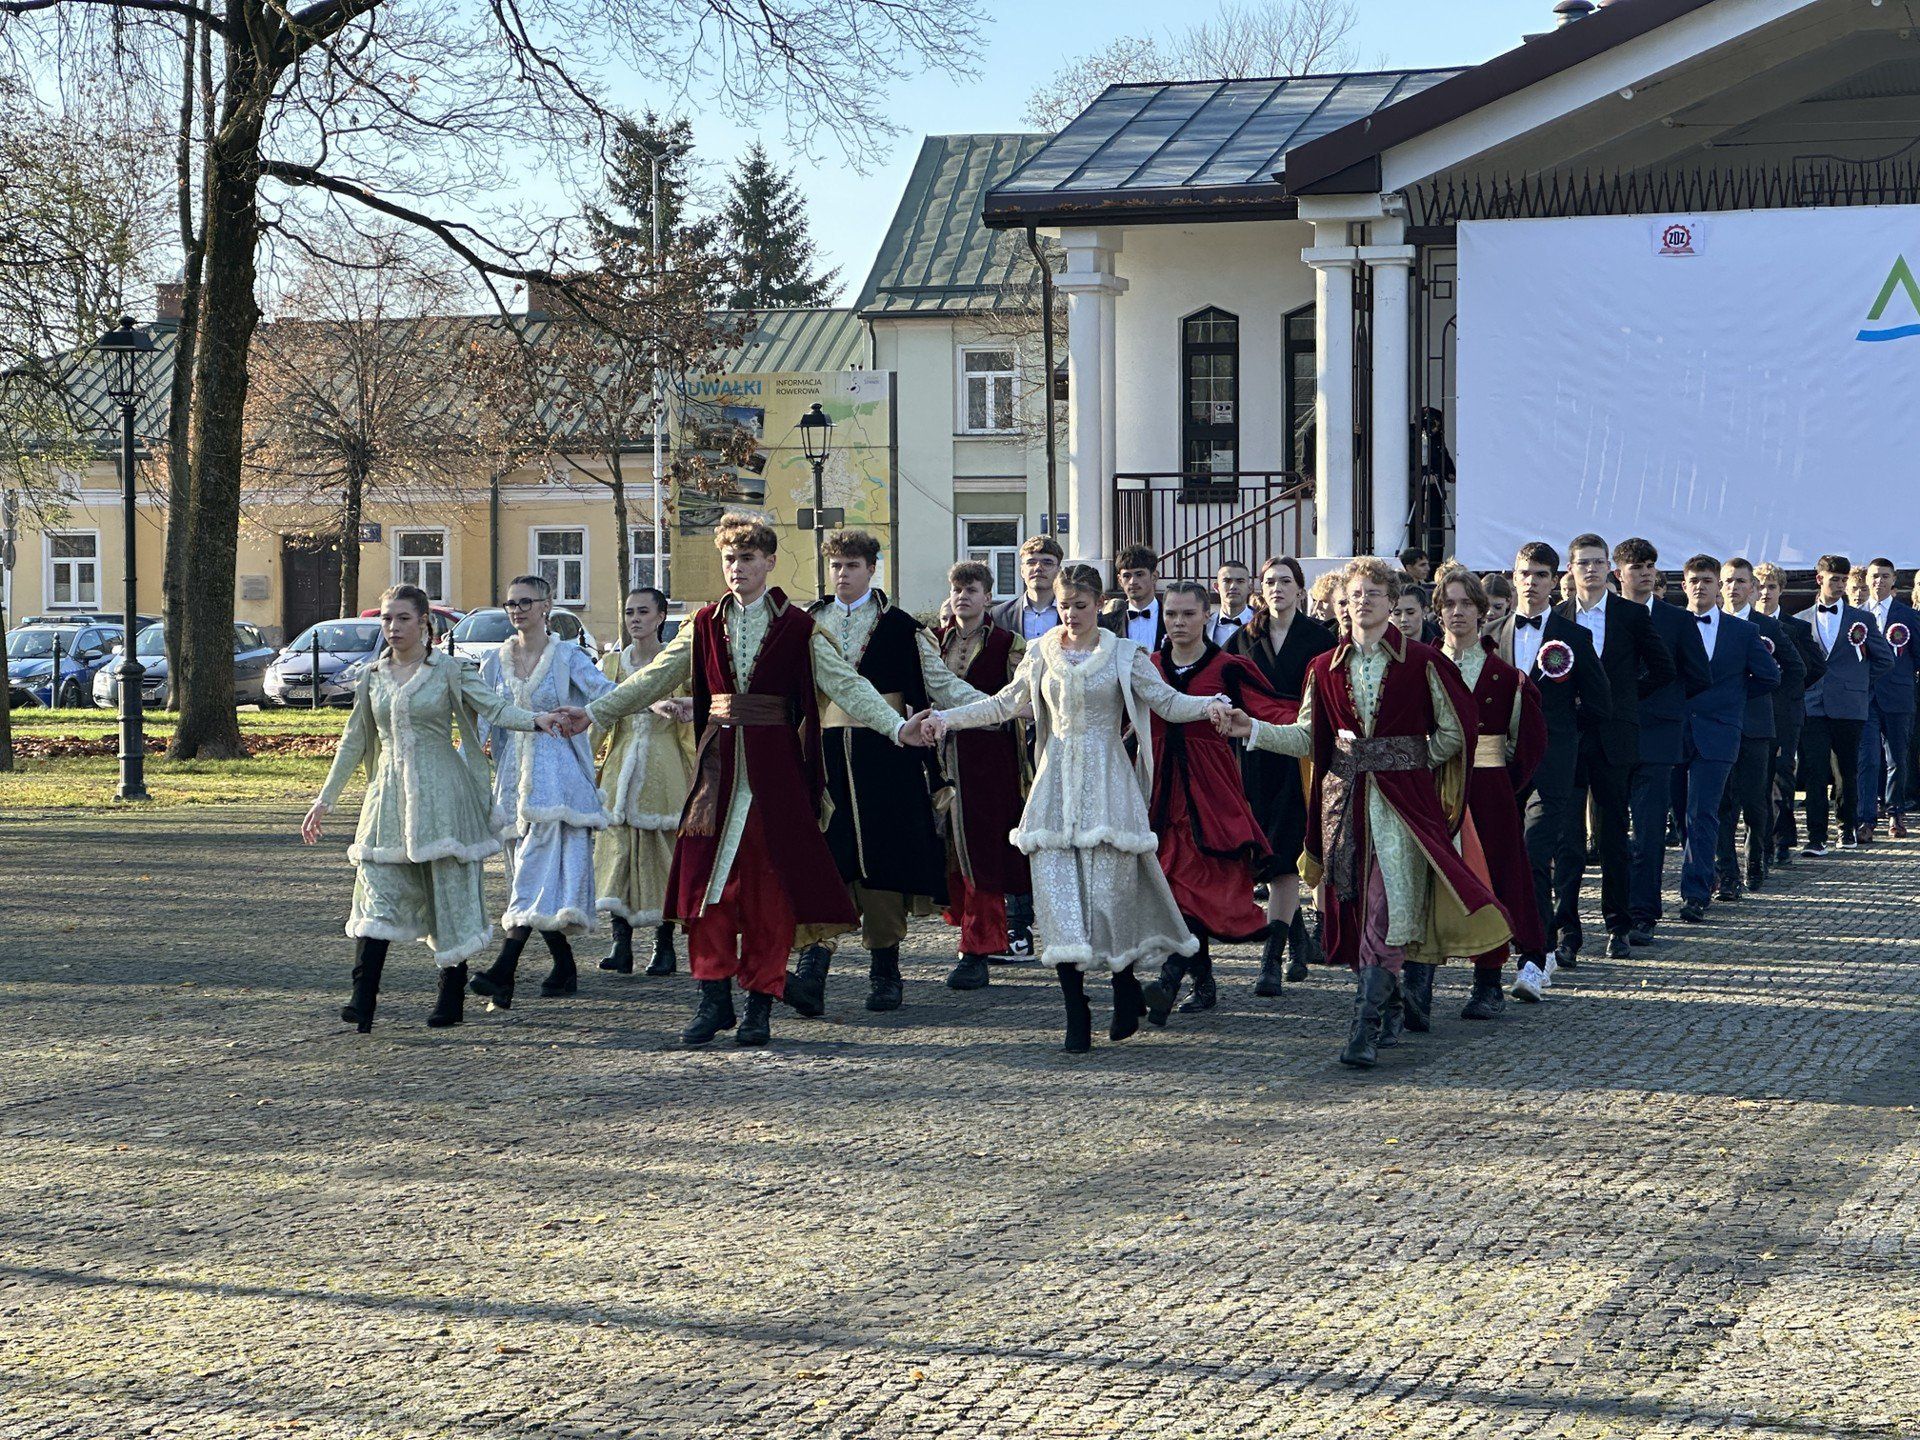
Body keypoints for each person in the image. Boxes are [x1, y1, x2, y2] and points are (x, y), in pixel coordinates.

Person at [556, 514, 935, 1049]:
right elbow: (652, 679)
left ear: (770, 562)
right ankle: (713, 999)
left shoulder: (799, 628)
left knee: (768, 894)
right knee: (705, 889)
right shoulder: (703, 624)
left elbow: (847, 686)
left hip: (775, 777)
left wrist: (897, 728)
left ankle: (759, 1004)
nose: (737, 568)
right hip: (716, 775)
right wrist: (594, 713)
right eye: (730, 559)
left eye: (748, 558)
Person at [1214, 558, 1510, 1068]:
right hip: (1345, 807)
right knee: (1353, 909)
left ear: (1392, 602)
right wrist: (1253, 730)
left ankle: (1363, 1027)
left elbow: (1453, 731)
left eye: (1375, 593)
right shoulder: (1324, 667)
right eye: (1356, 594)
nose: (1364, 601)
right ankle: (1388, 1002)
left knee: (1384, 909)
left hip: (1403, 809)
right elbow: (1309, 737)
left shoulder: (1421, 661)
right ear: (1343, 605)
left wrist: (1409, 760)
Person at [926, 564, 1228, 1053]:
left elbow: (1168, 703)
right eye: (1064, 606)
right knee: (1058, 900)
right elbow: (1003, 705)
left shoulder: (1124, 654)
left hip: (1109, 785)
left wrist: (1211, 704)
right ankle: (1075, 1009)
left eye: (1080, 606)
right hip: (1054, 788)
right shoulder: (1041, 652)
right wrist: (946, 718)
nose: (1070, 614)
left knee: (1110, 898)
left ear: (1099, 605)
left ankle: (1124, 988)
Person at [301, 584, 563, 1032]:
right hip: (387, 798)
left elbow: (495, 709)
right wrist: (324, 799)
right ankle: (362, 999)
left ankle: (450, 994)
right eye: (387, 618)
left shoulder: (450, 671)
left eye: (403, 618)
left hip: (443, 795)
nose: (393, 627)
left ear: (424, 622)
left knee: (448, 894)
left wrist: (536, 720)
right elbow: (354, 740)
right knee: (376, 891)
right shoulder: (371, 676)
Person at [798, 529, 973, 1013]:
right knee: (823, 856)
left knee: (884, 860)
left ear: (872, 569)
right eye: (836, 566)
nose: (842, 574)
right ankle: (813, 969)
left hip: (888, 757)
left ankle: (885, 971)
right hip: (824, 757)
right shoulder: (808, 623)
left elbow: (940, 683)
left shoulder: (901, 626)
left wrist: (999, 705)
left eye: (852, 566)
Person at [462, 575, 617, 1012]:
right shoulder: (495, 660)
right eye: (511, 603)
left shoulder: (568, 656)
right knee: (524, 874)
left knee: (535, 870)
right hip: (512, 778)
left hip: (558, 779)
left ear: (547, 604)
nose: (517, 610)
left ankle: (503, 970)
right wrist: (462, 769)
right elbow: (484, 718)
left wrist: (649, 702)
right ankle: (563, 967)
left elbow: (607, 696)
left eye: (526, 602)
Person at [1142, 580, 1293, 1018]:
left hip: (1209, 794)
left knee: (1198, 884)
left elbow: (1274, 709)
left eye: (1188, 614)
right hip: (1157, 791)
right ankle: (1202, 981)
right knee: (1171, 888)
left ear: (1206, 615)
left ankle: (1171, 978)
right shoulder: (1148, 666)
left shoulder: (1229, 668)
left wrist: (1320, 718)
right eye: (1171, 614)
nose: (1179, 622)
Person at [1488, 542, 1609, 1001]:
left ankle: (1534, 960)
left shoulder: (1573, 637)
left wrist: (1563, 739)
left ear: (1555, 580)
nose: (1531, 582)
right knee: (1506, 859)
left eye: (1541, 574)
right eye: (1524, 573)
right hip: (1500, 765)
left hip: (1553, 766)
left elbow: (1600, 703)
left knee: (1533, 852)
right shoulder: (1491, 634)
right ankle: (1528, 944)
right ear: (1513, 577)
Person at [1553, 533, 1675, 961]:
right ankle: (1566, 933)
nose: (1590, 569)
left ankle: (1618, 926)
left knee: (1613, 838)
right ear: (1571, 569)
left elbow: (1663, 669)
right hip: (1568, 738)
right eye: (1582, 562)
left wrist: (1621, 700)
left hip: (1614, 739)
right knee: (1567, 841)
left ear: (1609, 567)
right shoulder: (1557, 616)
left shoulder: (1631, 614)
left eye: (1597, 562)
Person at [1433, 564, 1547, 1021]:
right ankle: (1417, 982)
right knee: (1427, 881)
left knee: (1495, 880)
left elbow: (1529, 745)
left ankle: (1488, 982)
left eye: (1466, 603)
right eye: (1448, 604)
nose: (1457, 612)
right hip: (1431, 791)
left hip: (1489, 793)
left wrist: (1500, 783)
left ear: (1482, 611)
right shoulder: (1420, 668)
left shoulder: (1507, 677)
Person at [1226, 556, 1336, 987]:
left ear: (1300, 590)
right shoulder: (1242, 638)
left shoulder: (1321, 638)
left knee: (1286, 853)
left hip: (1301, 757)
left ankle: (1270, 961)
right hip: (1254, 757)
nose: (1277, 588)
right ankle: (1298, 944)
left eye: (1285, 581)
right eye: (1270, 581)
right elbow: (1226, 690)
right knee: (1270, 854)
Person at [931, 561, 1030, 993]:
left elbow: (1022, 704)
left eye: (971, 590)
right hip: (938, 759)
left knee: (983, 855)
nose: (963, 597)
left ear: (988, 597)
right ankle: (967, 937)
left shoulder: (1009, 644)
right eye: (957, 589)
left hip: (989, 759)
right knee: (949, 854)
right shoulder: (932, 642)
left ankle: (979, 948)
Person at [592, 586, 695, 978]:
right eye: (629, 612)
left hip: (663, 766)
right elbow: (599, 715)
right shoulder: (612, 664)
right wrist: (583, 761)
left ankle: (663, 945)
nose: (635, 619)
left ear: (660, 616)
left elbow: (695, 713)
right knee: (617, 855)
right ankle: (620, 944)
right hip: (620, 767)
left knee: (662, 857)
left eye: (643, 612)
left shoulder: (676, 663)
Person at [1674, 555, 1780, 923]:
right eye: (1694, 580)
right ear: (1684, 586)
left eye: (1707, 580)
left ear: (1717, 585)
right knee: (1679, 816)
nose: (1700, 586)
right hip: (1674, 731)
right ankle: (1704, 872)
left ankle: (1696, 892)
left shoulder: (1742, 632)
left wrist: (1733, 698)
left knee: (1703, 811)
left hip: (1719, 732)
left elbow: (1769, 677)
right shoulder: (1669, 624)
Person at [1618, 541, 1708, 945]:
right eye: (1636, 566)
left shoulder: (1677, 620)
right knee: (1611, 831)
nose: (1645, 572)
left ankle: (1643, 914)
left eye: (1650, 566)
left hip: (1658, 737)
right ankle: (1616, 910)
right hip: (1609, 735)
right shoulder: (1602, 616)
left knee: (1649, 830)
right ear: (1619, 572)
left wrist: (1666, 704)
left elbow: (1699, 675)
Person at [1715, 559, 1802, 897]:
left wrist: (1774, 707)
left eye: (1740, 581)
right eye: (1728, 581)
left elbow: (1795, 669)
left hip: (1756, 726)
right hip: (1718, 725)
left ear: (1751, 587)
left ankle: (1756, 860)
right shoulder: (1710, 623)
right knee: (1722, 803)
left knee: (1754, 801)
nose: (1733, 587)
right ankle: (1727, 873)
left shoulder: (1766, 626)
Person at [1796, 554, 1893, 855]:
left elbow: (1885, 659)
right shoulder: (1800, 620)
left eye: (1843, 580)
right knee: (1814, 772)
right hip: (1812, 704)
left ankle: (1846, 827)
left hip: (1849, 705)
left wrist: (1858, 682)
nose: (1839, 585)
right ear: (1819, 579)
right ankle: (1815, 836)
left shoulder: (1861, 619)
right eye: (1834, 579)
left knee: (1846, 771)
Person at [1753, 562, 1824, 866]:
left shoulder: (1797, 628)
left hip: (1785, 712)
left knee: (1782, 776)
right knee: (1757, 780)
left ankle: (1782, 840)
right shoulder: (1742, 625)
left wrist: (1789, 690)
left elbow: (1814, 667)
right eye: (1760, 586)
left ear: (1781, 590)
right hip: (1752, 709)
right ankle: (1760, 841)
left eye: (1771, 587)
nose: (1765, 593)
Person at [1857, 558, 1918, 841]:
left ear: (1894, 580)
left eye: (1884, 576)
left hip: (1898, 697)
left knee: (1897, 759)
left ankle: (1896, 813)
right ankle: (1866, 818)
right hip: (1866, 697)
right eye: (1874, 576)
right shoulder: (1856, 615)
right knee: (1868, 759)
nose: (1878, 581)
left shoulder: (1908, 616)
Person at [989, 532, 1063, 641]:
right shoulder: (1000, 615)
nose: (1038, 568)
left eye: (1047, 563)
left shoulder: (1073, 613)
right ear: (1022, 571)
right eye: (1031, 562)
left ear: (1059, 571)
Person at [1100, 544, 1165, 647]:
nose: (1133, 581)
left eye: (1139, 574)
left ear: (1154, 576)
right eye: (1127, 576)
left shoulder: (1171, 617)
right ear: (1120, 580)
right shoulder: (1107, 623)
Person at [1208, 560, 1255, 646]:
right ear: (1216, 587)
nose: (1233, 586)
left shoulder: (1263, 622)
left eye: (1240, 581)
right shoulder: (1205, 624)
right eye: (1227, 581)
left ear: (1250, 588)